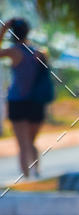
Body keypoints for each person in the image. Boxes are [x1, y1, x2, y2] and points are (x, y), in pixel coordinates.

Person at [0, 17, 51, 180]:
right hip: (36, 102)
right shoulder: (41, 53)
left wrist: (4, 29)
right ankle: (36, 172)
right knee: (31, 141)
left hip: (17, 101)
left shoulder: (13, 51)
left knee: (22, 143)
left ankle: (27, 177)